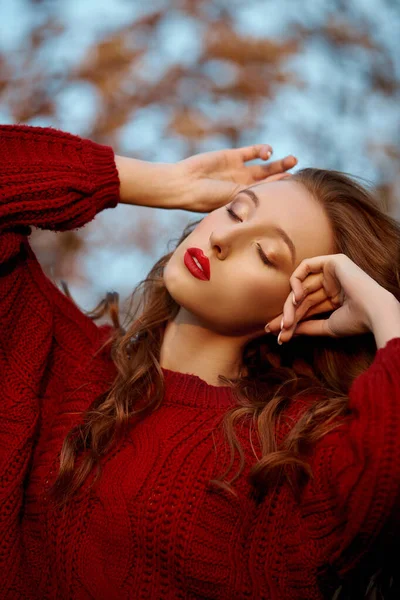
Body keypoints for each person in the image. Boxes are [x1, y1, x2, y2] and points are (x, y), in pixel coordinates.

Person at [0, 124, 399, 600]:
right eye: (235, 211)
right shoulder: (59, 358)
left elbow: (386, 478)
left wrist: (383, 312)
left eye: (265, 254)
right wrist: (164, 184)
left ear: (305, 300)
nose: (222, 240)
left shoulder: (290, 454)